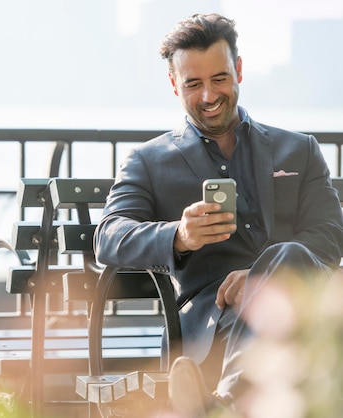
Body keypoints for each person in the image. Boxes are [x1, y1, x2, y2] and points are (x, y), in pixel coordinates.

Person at [94, 12, 343, 417]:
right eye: (193, 84)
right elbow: (108, 236)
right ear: (175, 84)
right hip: (210, 330)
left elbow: (332, 233)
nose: (209, 96)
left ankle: (224, 401)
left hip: (297, 315)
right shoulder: (148, 161)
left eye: (219, 79)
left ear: (239, 70)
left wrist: (262, 279)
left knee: (289, 256)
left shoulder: (299, 150)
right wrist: (178, 236)